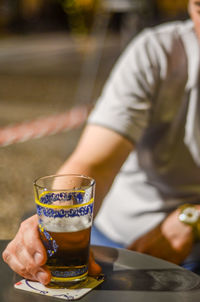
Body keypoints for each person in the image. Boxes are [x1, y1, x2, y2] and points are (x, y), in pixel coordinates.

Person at [3, 0, 200, 285]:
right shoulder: (157, 52)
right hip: (112, 236)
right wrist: (55, 218)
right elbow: (94, 162)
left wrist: (192, 221)